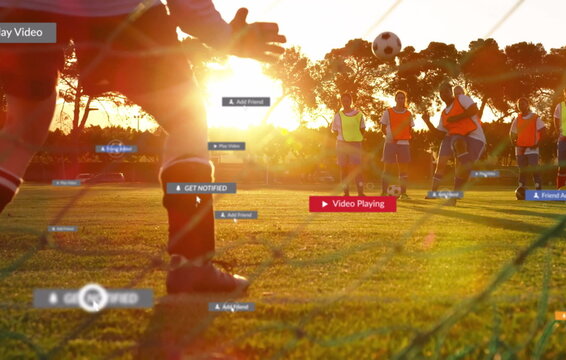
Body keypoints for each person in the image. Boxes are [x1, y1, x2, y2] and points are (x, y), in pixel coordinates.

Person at [0, 0, 286, 295]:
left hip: (23, 16)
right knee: (187, 121)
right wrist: (225, 37)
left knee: (23, 129)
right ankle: (192, 266)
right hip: (119, 17)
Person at [422, 82, 487, 205]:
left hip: (474, 137)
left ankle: (455, 194)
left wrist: (456, 118)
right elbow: (440, 134)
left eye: (446, 91)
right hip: (455, 136)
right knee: (442, 163)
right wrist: (427, 122)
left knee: (461, 167)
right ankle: (434, 193)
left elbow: (474, 109)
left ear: (451, 92)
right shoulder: (444, 113)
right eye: (441, 92)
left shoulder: (461, 98)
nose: (444, 94)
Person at [380, 90, 414, 199]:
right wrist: (389, 136)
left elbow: (410, 128)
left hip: (404, 143)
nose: (400, 100)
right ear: (395, 99)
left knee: (403, 170)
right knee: (387, 168)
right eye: (398, 98)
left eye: (402, 98)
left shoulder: (409, 113)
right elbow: (382, 127)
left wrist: (404, 137)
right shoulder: (388, 112)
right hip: (390, 143)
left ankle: (403, 194)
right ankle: (384, 192)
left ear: (405, 100)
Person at [331, 92, 366, 196]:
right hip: (342, 144)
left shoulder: (359, 115)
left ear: (351, 101)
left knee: (356, 169)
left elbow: (362, 129)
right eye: (343, 101)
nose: (345, 103)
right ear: (341, 102)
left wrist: (355, 138)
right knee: (344, 169)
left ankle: (361, 193)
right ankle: (346, 193)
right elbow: (334, 130)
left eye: (347, 100)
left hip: (355, 144)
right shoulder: (337, 115)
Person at [509, 97, 546, 191]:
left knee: (534, 168)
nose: (521, 106)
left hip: (532, 148)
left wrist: (538, 144)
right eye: (519, 104)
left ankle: (538, 188)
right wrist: (513, 141)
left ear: (527, 105)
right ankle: (521, 187)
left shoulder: (535, 117)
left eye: (523, 104)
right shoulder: (517, 118)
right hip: (520, 148)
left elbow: (543, 130)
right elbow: (512, 133)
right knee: (522, 170)